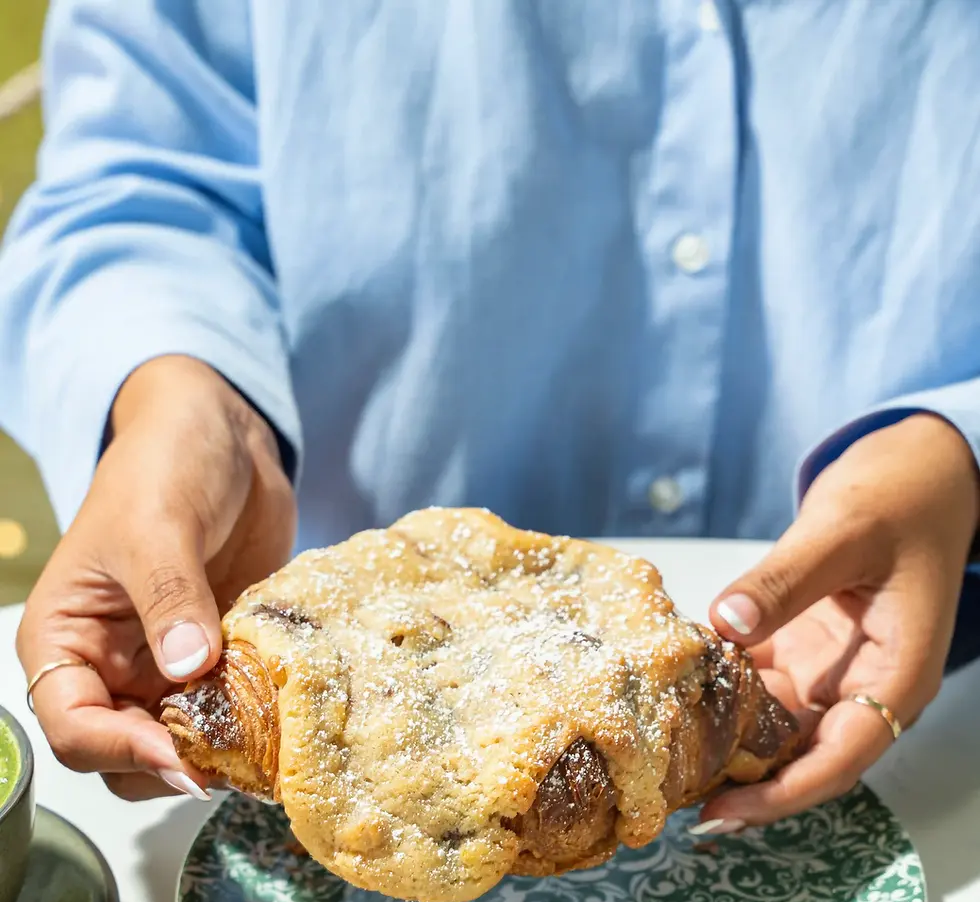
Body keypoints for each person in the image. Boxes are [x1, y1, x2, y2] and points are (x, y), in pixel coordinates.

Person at [1, 2, 978, 831]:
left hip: (923, 724)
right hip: (324, 689)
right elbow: (139, 189)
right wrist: (176, 395)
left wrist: (959, 448)